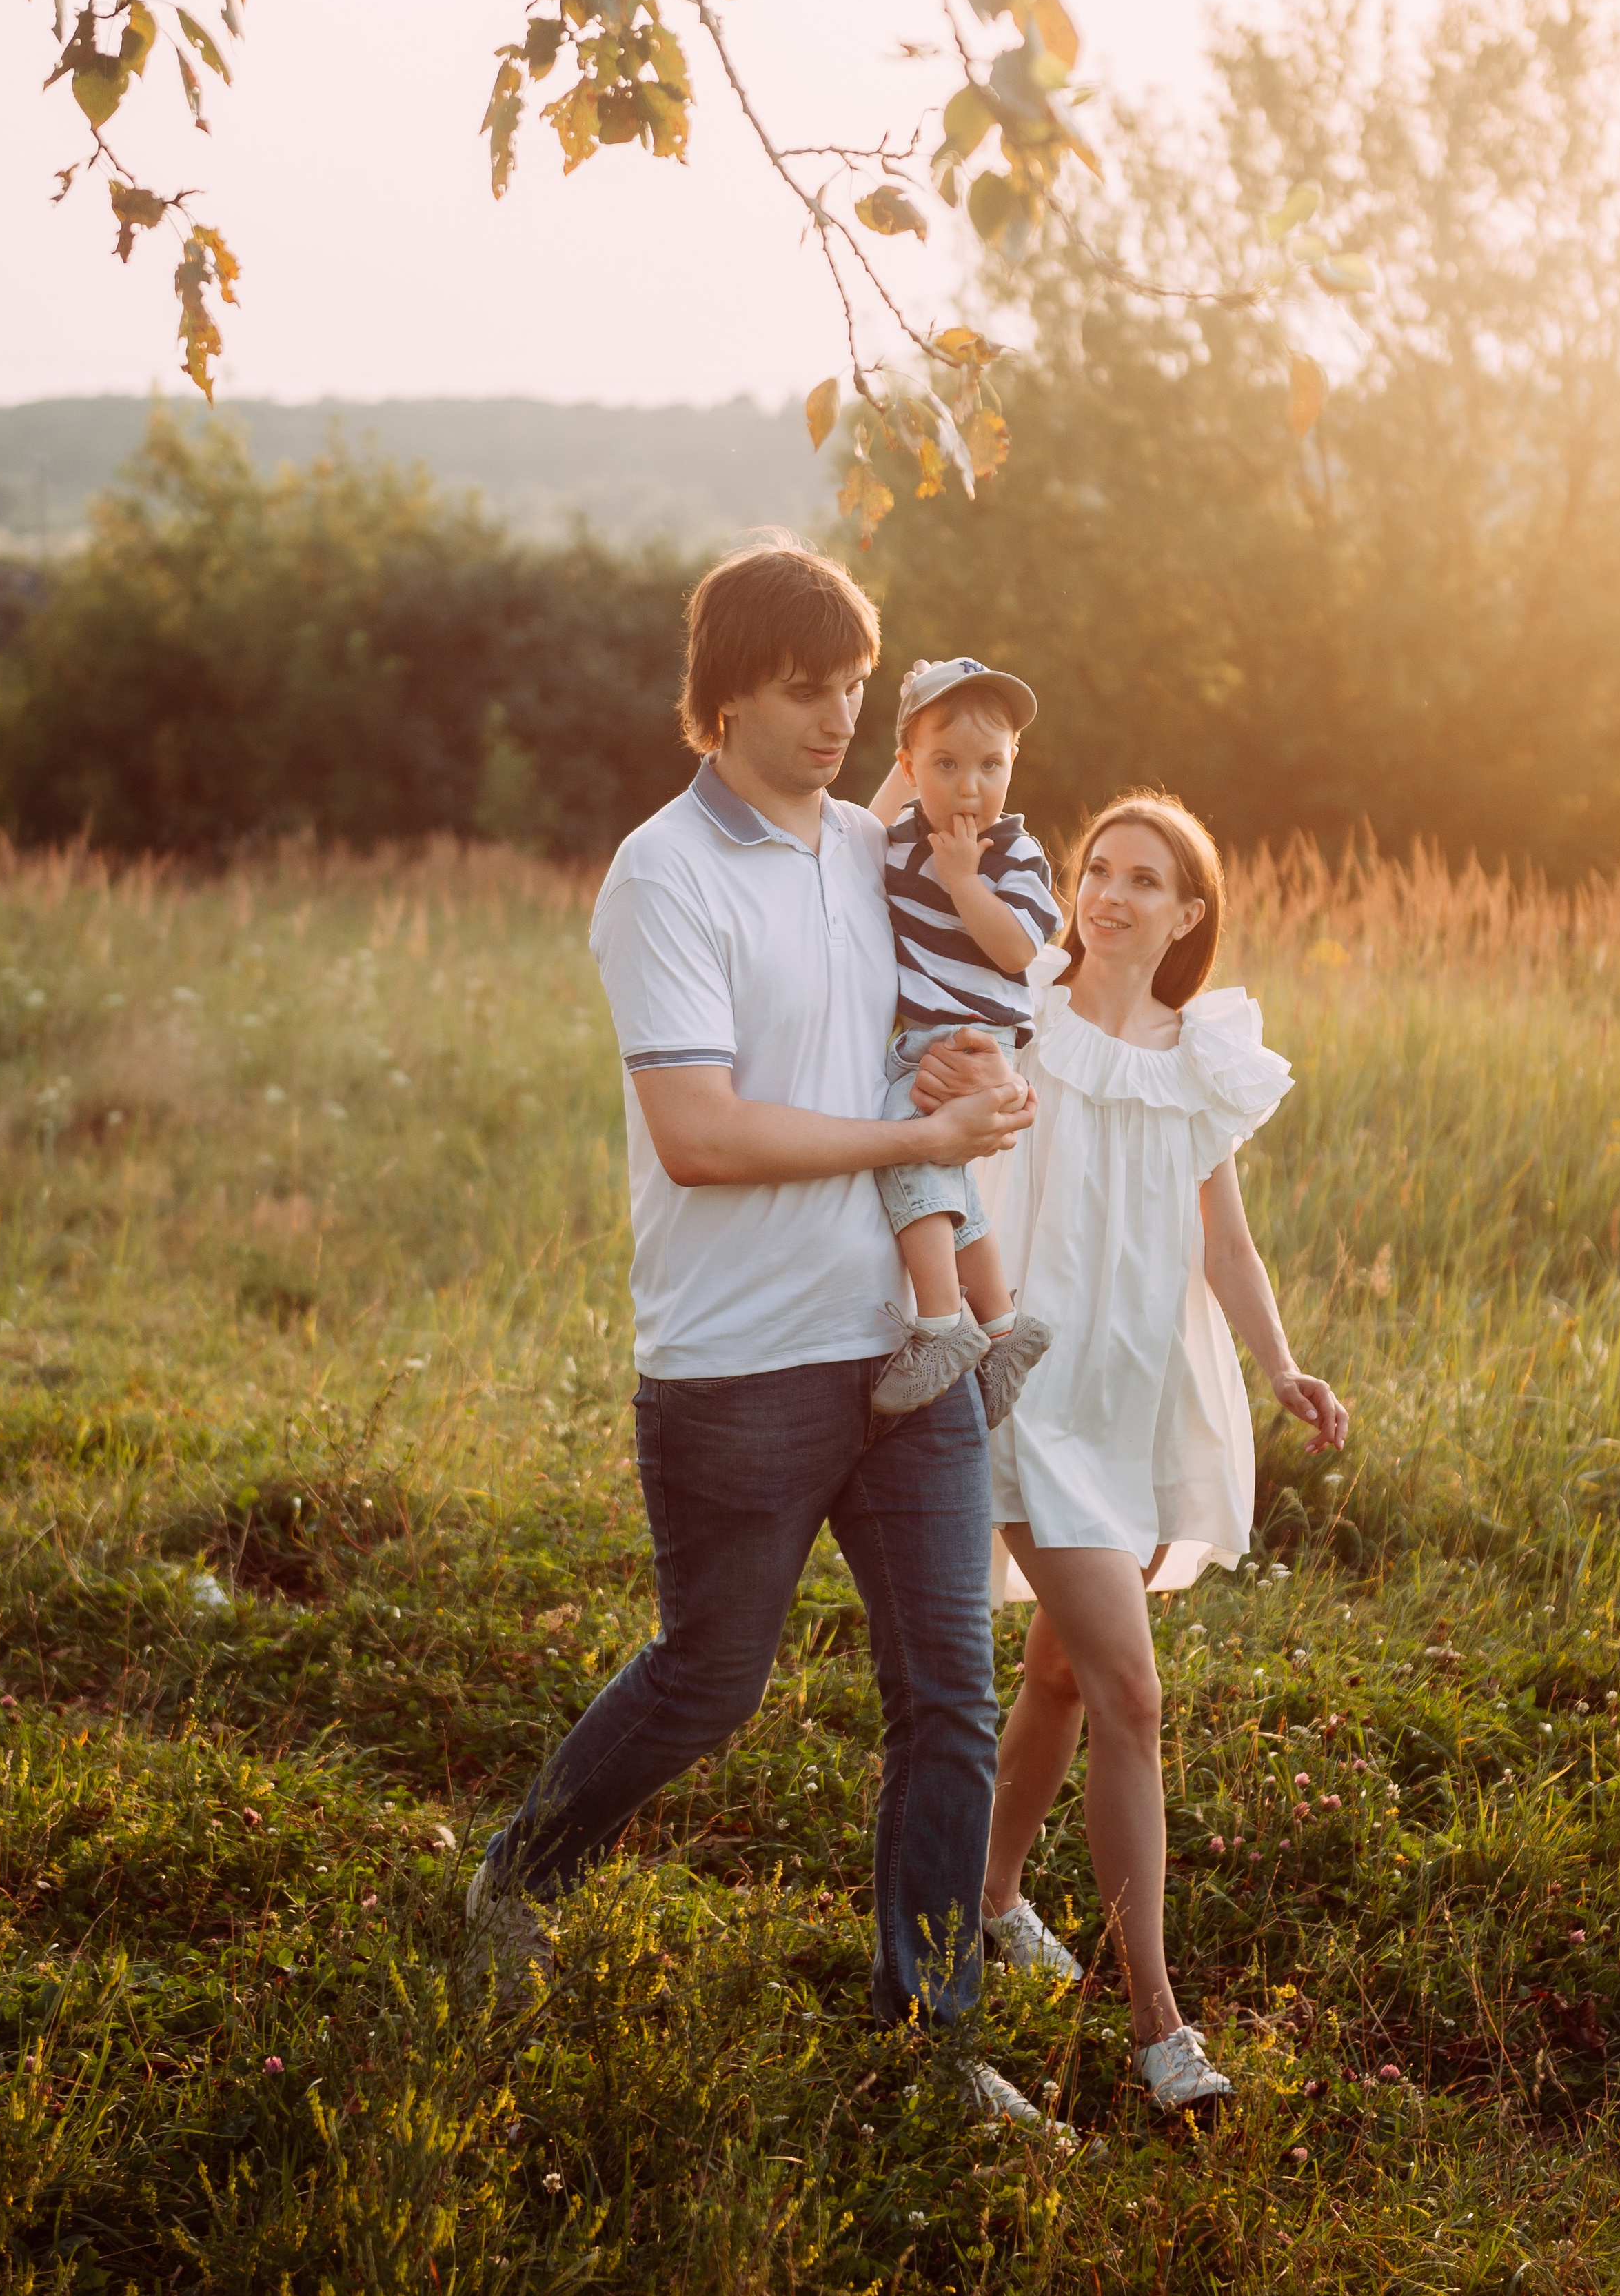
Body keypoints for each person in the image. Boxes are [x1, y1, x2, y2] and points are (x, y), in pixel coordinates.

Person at [467, 540, 1054, 2129]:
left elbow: (932, 1005)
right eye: (806, 689)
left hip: (907, 1348)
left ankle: (930, 2040)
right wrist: (912, 1142)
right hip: (735, 1361)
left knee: (951, 1694)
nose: (838, 717)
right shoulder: (661, 874)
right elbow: (701, 1133)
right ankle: (517, 1872)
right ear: (723, 694)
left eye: (853, 686)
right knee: (712, 1678)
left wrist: (963, 1083)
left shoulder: (869, 849)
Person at [909, 789, 1350, 2118]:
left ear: (1187, 912)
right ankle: (1160, 2024)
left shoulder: (1203, 1057)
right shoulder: (1021, 1006)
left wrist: (1280, 1365)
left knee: (1059, 1671)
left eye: (1145, 878)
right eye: (1099, 867)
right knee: (1131, 1694)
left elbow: (1227, 1242)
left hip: (1137, 1396)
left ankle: (994, 1897)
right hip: (1029, 1379)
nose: (1110, 891)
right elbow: (932, 1112)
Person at [864, 658, 1057, 1423]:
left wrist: (964, 881)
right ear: (911, 767)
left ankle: (943, 1324)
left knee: (903, 1149)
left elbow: (1015, 949)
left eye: (990, 765)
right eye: (944, 764)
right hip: (925, 1040)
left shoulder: (1015, 853)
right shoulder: (901, 840)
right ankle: (1004, 1327)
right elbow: (859, 832)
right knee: (950, 1186)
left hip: (974, 1042)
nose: (970, 787)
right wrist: (908, 721)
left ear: (1015, 763)